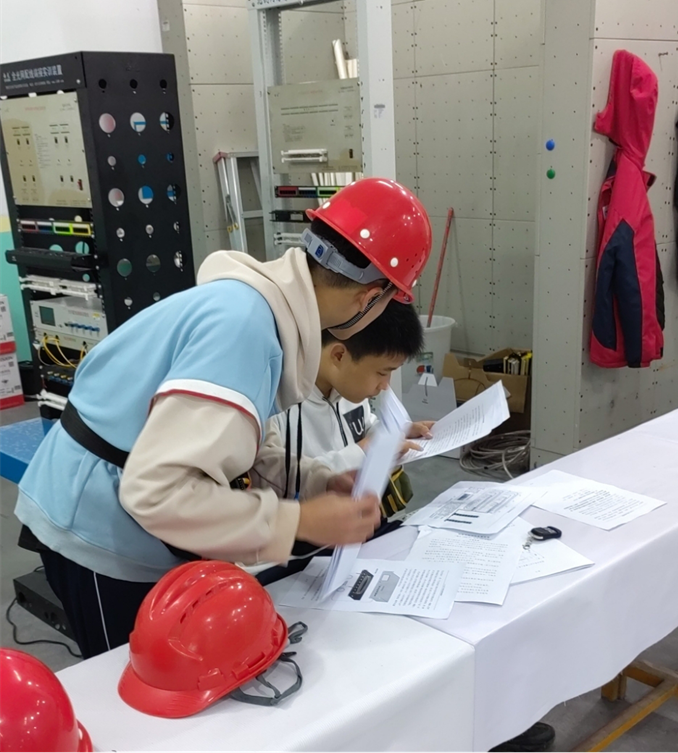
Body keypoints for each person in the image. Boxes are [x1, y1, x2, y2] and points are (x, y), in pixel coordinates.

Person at [14, 178, 432, 658]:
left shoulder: (260, 310)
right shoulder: (244, 329)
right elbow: (157, 493)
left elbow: (240, 444)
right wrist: (298, 521)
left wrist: (314, 480)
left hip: (121, 506)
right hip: (96, 527)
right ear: (370, 297)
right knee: (141, 680)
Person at [266, 299, 432, 511]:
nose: (385, 385)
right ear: (339, 356)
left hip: (355, 518)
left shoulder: (347, 389)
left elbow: (364, 425)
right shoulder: (278, 404)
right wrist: (363, 451)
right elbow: (277, 482)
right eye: (382, 372)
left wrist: (395, 432)